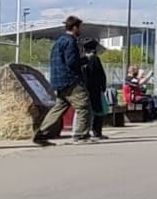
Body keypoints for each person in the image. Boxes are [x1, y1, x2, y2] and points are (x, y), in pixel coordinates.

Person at [33, 16, 91, 145]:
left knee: (58, 108)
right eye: (80, 27)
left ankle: (41, 134)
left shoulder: (59, 41)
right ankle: (81, 135)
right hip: (71, 81)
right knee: (84, 106)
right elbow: (72, 62)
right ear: (74, 27)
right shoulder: (70, 42)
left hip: (59, 82)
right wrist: (86, 58)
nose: (81, 30)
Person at [81, 38, 110, 141]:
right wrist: (103, 86)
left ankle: (87, 131)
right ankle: (97, 132)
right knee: (99, 110)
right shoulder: (94, 59)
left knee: (88, 111)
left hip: (86, 88)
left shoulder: (82, 60)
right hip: (95, 89)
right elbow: (100, 75)